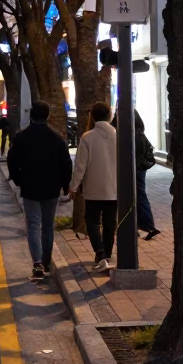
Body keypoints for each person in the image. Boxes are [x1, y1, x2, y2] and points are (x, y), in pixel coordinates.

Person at [7, 101, 72, 280]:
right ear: (47, 115)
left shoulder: (22, 137)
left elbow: (11, 160)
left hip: (30, 187)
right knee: (48, 226)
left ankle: (37, 263)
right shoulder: (57, 137)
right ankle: (46, 261)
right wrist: (65, 185)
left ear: (31, 116)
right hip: (51, 187)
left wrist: (18, 179)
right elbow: (66, 163)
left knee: (33, 225)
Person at [70, 102, 117, 272]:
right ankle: (107, 254)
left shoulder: (87, 137)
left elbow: (80, 166)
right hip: (114, 188)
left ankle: (100, 252)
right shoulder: (118, 135)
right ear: (109, 115)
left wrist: (73, 187)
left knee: (92, 221)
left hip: (93, 189)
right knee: (110, 223)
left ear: (93, 116)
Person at [134, 110, 160, 240]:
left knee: (138, 197)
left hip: (134, 170)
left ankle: (148, 226)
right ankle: (144, 226)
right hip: (140, 170)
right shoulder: (141, 134)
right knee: (140, 196)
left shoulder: (130, 136)